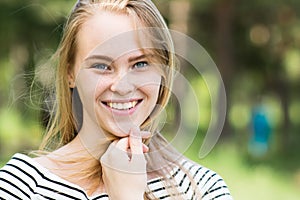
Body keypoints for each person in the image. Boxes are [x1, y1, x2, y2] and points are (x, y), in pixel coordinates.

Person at [0, 0, 233, 199]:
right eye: (102, 66)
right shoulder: (20, 187)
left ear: (163, 70)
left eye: (140, 63)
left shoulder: (201, 189)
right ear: (70, 73)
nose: (122, 87)